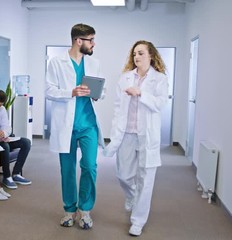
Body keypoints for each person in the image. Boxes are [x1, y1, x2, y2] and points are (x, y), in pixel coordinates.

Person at [104, 40, 169, 236]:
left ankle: (138, 221)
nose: (136, 57)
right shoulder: (125, 78)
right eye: (134, 54)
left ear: (151, 55)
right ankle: (131, 196)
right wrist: (115, 131)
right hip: (127, 133)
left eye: (140, 53)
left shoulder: (159, 79)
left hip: (147, 136)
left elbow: (160, 104)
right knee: (123, 174)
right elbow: (118, 108)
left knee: (146, 179)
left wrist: (141, 93)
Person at [45, 23, 105, 230]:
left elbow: (101, 92)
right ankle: (69, 210)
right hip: (66, 126)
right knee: (68, 169)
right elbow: (49, 90)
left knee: (89, 167)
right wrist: (70, 92)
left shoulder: (94, 63)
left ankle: (85, 210)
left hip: (88, 124)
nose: (93, 44)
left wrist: (96, 93)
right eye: (91, 40)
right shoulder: (56, 62)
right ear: (79, 41)